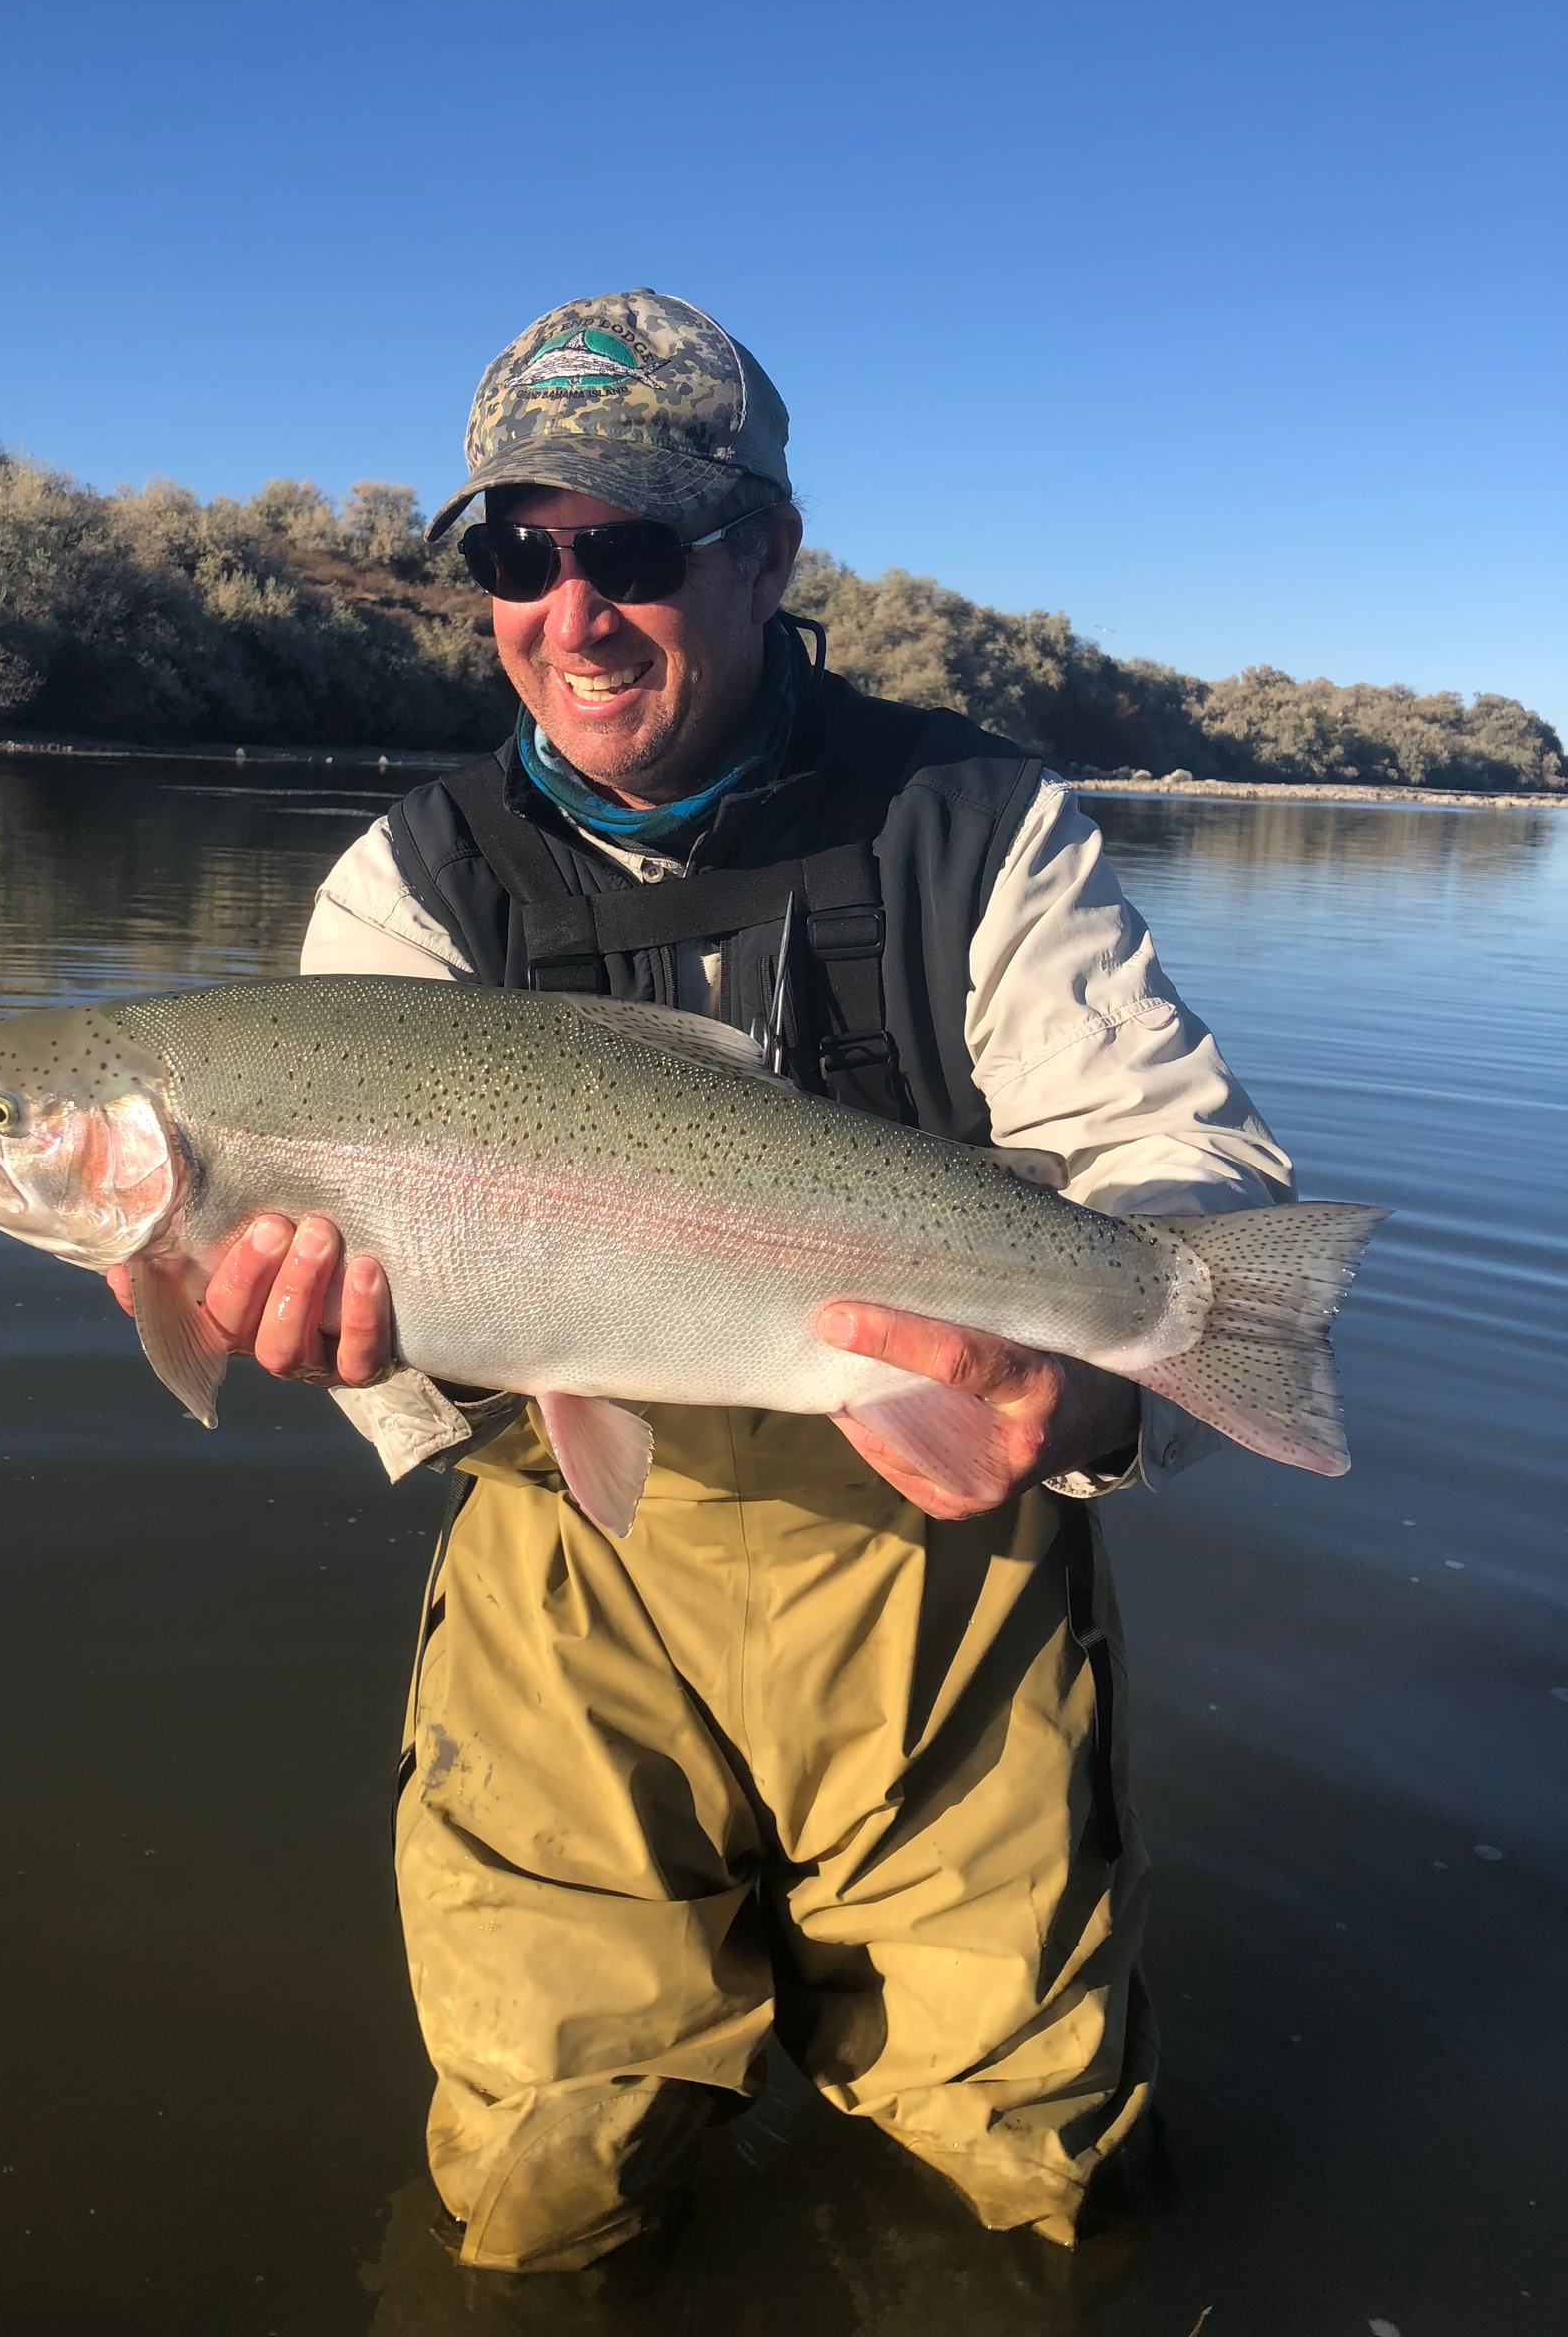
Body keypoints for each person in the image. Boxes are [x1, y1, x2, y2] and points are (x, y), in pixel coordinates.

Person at [118, 292, 1291, 2271]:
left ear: (767, 554)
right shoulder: (410, 885)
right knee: (537, 2181)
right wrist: (355, 1357)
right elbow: (390, 1325)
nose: (572, 609)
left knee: (1031, 2182)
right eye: (519, 552)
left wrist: (1094, 1384)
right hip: (562, 1579)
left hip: (947, 1582)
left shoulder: (977, 826)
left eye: (638, 547)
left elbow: (1186, 1156)